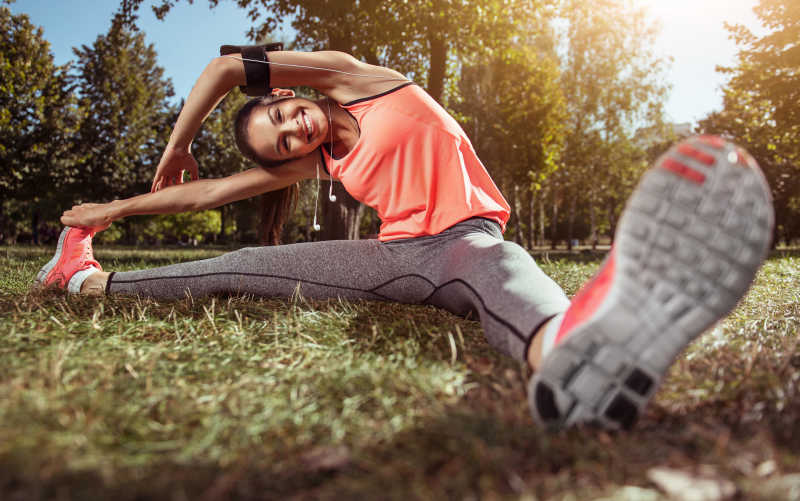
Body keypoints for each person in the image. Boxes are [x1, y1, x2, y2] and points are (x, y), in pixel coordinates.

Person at [35, 46, 774, 429]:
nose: (293, 130)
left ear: (292, 96)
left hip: (468, 242)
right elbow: (213, 191)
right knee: (247, 262)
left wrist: (177, 140)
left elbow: (228, 66)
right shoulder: (320, 159)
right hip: (397, 257)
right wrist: (118, 209)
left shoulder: (363, 79)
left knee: (505, 276)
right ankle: (82, 278)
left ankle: (576, 356)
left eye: (283, 116)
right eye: (279, 141)